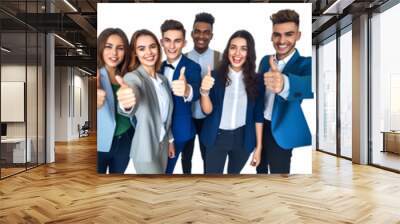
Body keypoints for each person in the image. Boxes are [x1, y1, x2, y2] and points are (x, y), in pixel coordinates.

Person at [256, 9, 313, 174]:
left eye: (289, 34)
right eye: (277, 35)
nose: (282, 41)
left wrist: (284, 84)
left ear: (298, 35)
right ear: (271, 36)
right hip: (260, 126)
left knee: (279, 175)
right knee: (259, 172)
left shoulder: (306, 64)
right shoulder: (265, 61)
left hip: (281, 131)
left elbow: (309, 85)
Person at [199, 30, 264, 174]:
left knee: (233, 179)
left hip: (243, 138)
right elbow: (207, 111)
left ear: (249, 53)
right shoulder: (214, 76)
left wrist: (258, 148)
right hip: (216, 137)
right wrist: (204, 92)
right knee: (213, 183)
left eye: (243, 48)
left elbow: (258, 116)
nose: (237, 53)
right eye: (233, 47)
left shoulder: (257, 80)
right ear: (228, 50)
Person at [117, 29, 175, 174]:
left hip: (163, 146)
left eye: (152, 46)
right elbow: (131, 95)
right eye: (141, 49)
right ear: (135, 53)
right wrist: (126, 102)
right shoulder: (133, 78)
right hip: (145, 148)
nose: (148, 52)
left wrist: (170, 141)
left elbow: (165, 116)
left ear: (158, 48)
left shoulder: (163, 80)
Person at [159, 19, 202, 174]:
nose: (171, 46)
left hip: (179, 130)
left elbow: (196, 92)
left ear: (184, 43)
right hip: (158, 129)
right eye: (167, 41)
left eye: (177, 41)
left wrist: (186, 90)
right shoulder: (157, 67)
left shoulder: (192, 67)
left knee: (166, 170)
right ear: (161, 42)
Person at [183, 12, 222, 174]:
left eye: (206, 32)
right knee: (186, 157)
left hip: (209, 119)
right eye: (197, 31)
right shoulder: (182, 58)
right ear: (192, 34)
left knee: (209, 156)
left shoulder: (219, 58)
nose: (201, 36)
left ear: (211, 35)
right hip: (187, 117)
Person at [97, 28, 134, 174]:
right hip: (100, 144)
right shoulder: (96, 76)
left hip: (125, 140)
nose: (114, 53)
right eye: (108, 46)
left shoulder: (129, 77)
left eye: (120, 48)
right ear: (101, 48)